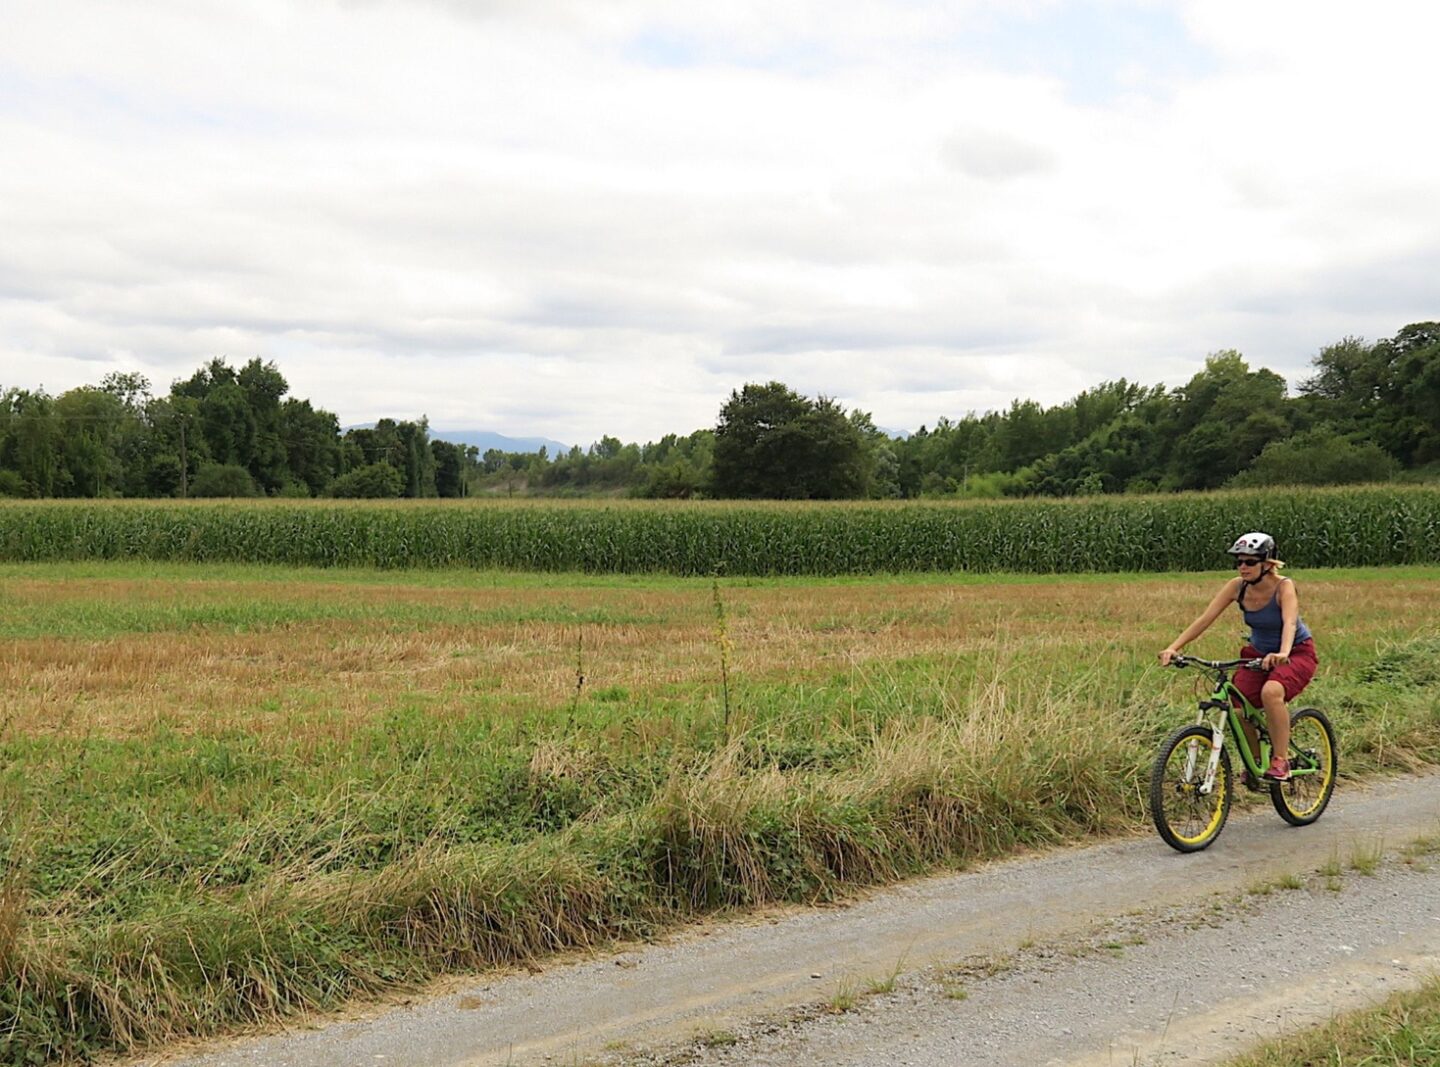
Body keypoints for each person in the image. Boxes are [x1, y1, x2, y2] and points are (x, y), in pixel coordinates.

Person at [1157, 532, 1318, 783]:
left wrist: (1283, 652)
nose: (1243, 567)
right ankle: (1256, 763)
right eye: (1239, 562)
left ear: (1267, 563)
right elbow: (1205, 619)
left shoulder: (1284, 586)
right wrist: (1173, 647)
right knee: (1237, 705)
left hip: (1295, 653)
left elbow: (1289, 621)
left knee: (1271, 692)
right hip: (1256, 655)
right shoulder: (1237, 587)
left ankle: (1281, 760)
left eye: (1250, 562)